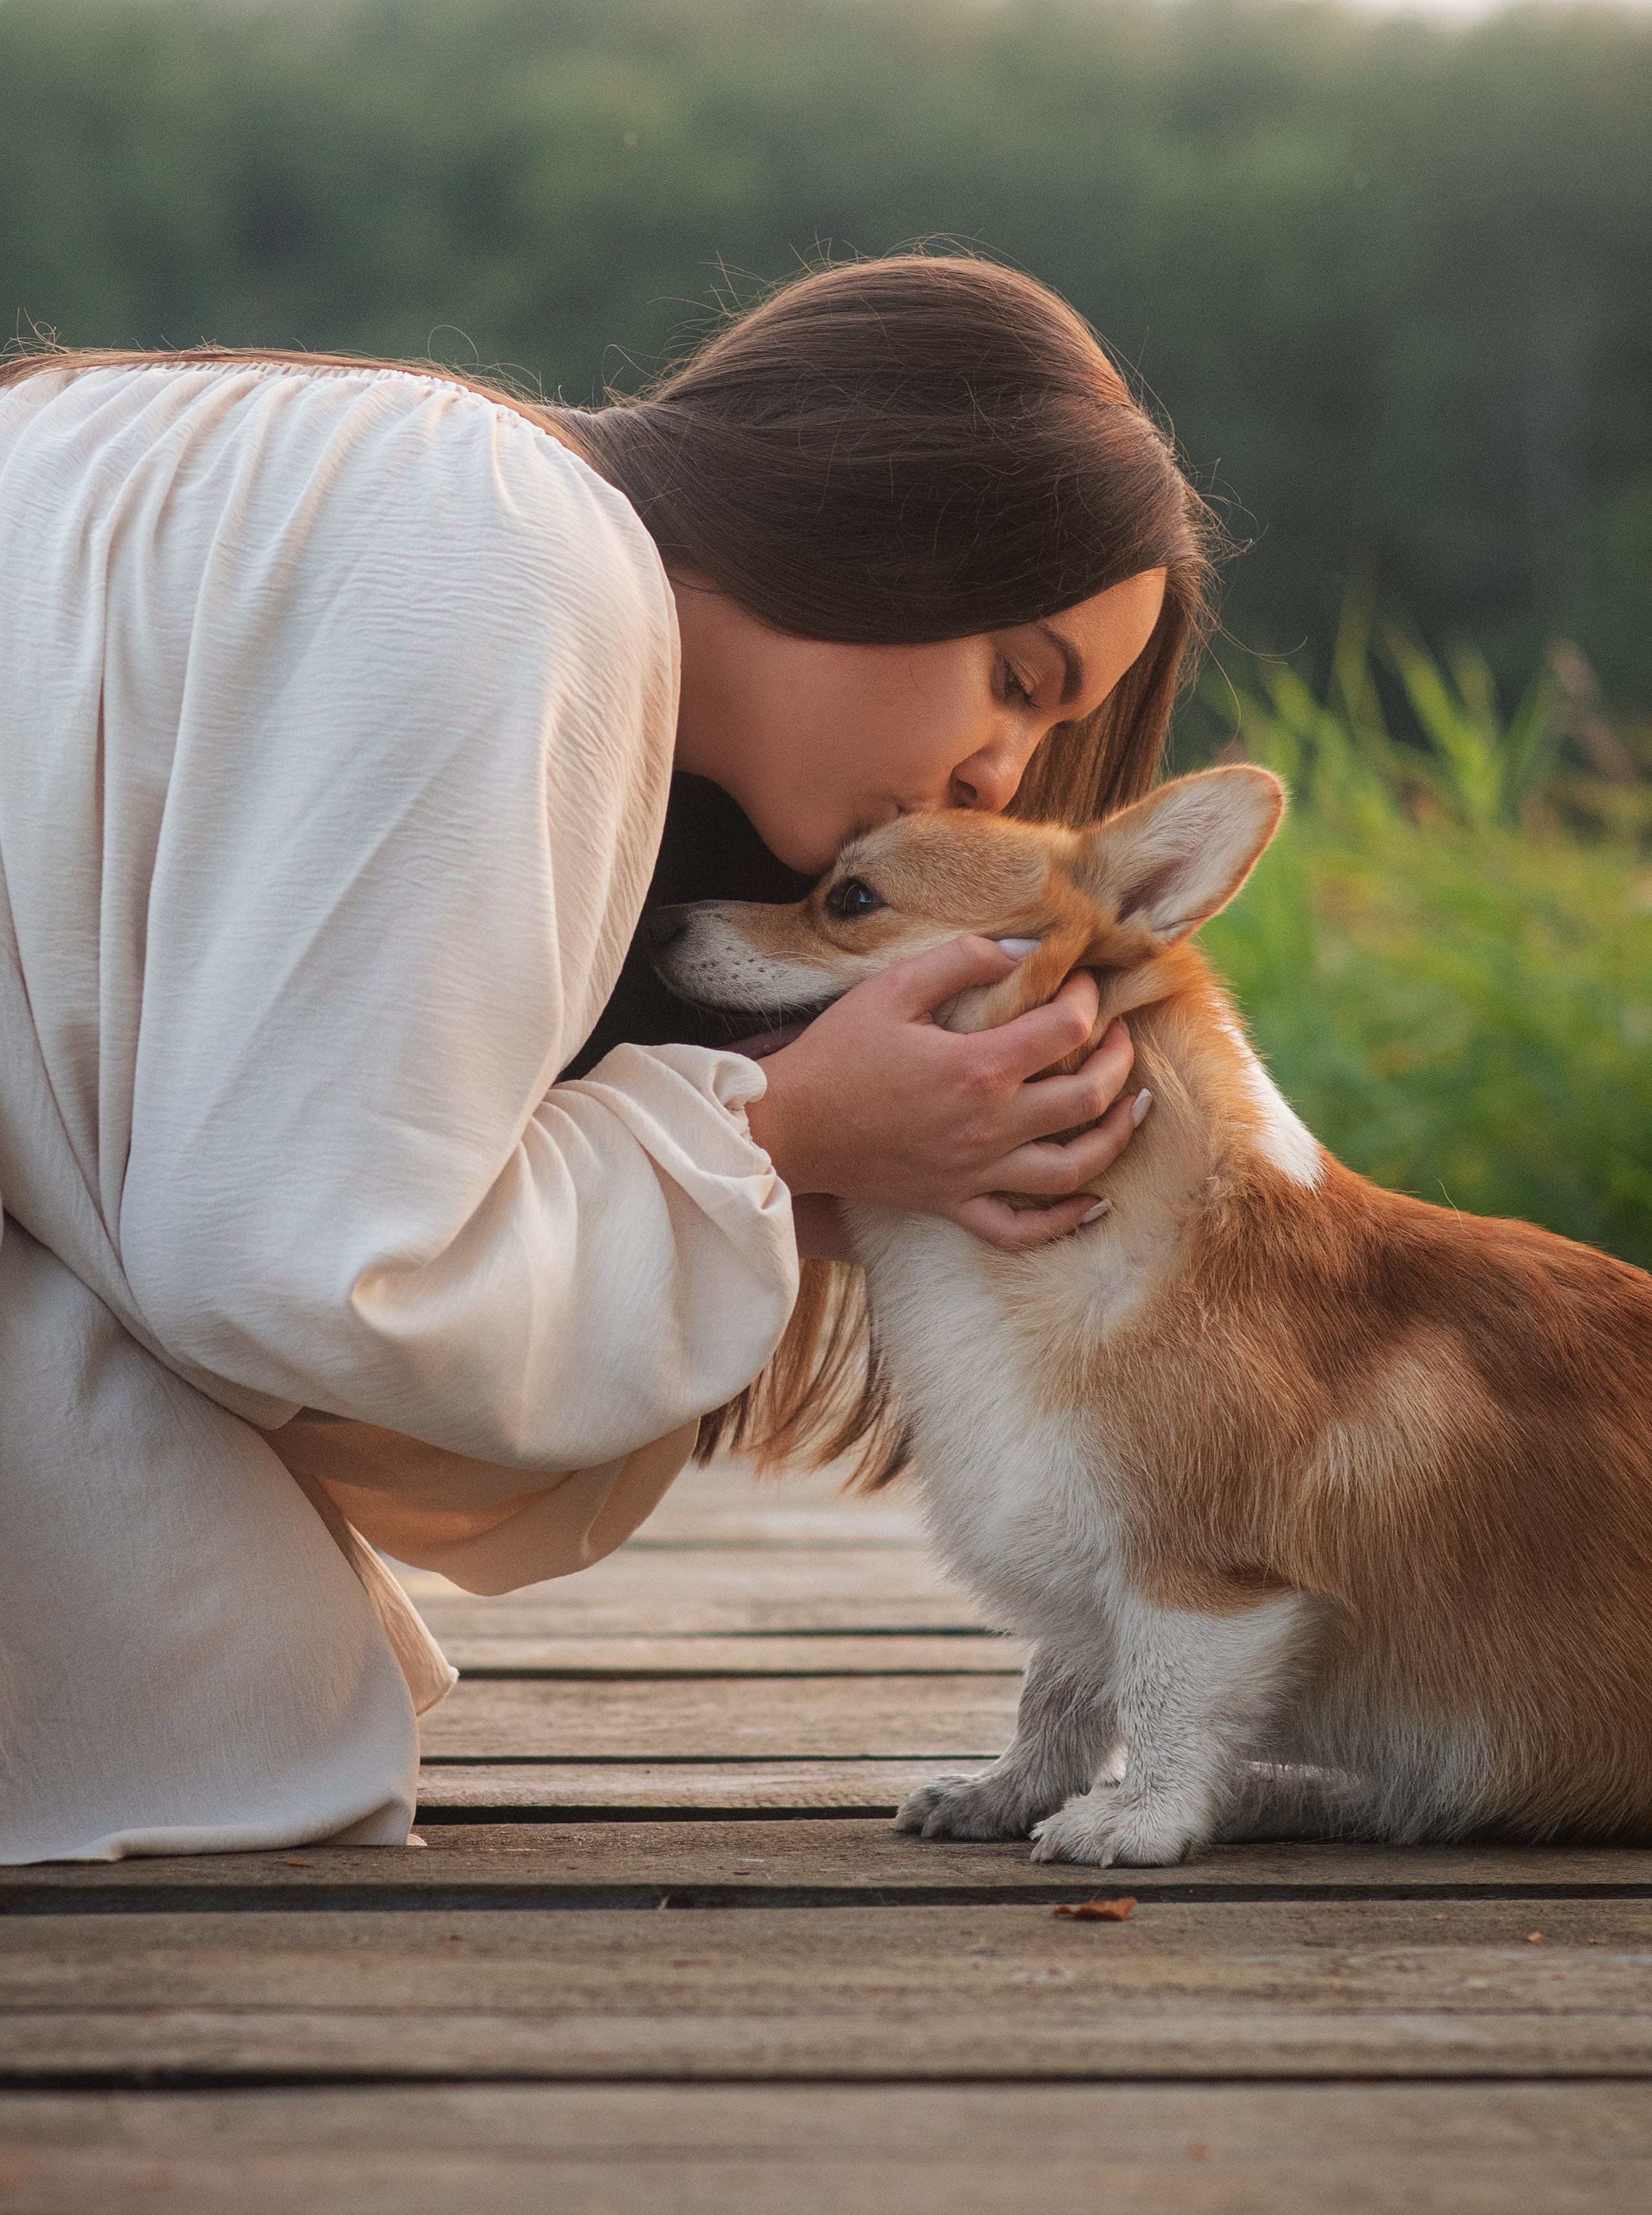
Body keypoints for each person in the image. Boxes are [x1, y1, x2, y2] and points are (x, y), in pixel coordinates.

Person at [0, 256, 1212, 1863]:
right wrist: (769, 1135)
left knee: (239, 1674)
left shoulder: (416, 490)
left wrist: (797, 1161)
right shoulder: (512, 550)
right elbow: (285, 1266)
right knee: (225, 1708)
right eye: (1018, 678)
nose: (1001, 773)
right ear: (891, 522)